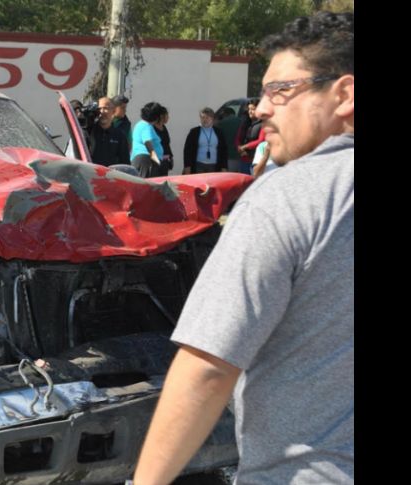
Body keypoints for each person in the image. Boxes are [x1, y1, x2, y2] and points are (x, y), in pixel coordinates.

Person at [134, 10, 353, 484]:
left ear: (345, 95)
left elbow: (207, 370)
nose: (261, 109)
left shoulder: (289, 196)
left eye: (280, 90)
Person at [182, 107, 228, 174]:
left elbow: (224, 150)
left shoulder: (219, 132)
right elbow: (187, 150)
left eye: (207, 118)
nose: (205, 120)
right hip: (198, 165)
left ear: (212, 119)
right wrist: (187, 166)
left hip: (214, 166)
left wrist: (224, 167)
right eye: (203, 117)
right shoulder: (194, 132)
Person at [88, 97, 130, 167]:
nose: (101, 112)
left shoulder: (119, 136)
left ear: (113, 111)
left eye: (105, 108)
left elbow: (125, 163)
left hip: (109, 176)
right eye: (99, 109)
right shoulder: (89, 132)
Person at [130, 102, 164, 178]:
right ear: (157, 117)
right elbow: (148, 143)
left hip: (142, 160)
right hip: (145, 161)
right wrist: (156, 160)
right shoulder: (146, 126)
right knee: (145, 186)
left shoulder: (141, 124)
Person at [235, 100, 265, 173]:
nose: (250, 112)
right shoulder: (245, 123)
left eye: (253, 109)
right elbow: (237, 138)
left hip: (255, 161)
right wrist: (239, 148)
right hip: (243, 159)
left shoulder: (263, 124)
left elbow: (261, 141)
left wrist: (245, 147)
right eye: (249, 109)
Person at [153, 105, 173, 176]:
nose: (168, 117)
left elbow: (167, 143)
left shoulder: (164, 127)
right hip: (156, 161)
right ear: (161, 116)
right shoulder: (152, 128)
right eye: (167, 115)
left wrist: (171, 157)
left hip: (165, 161)